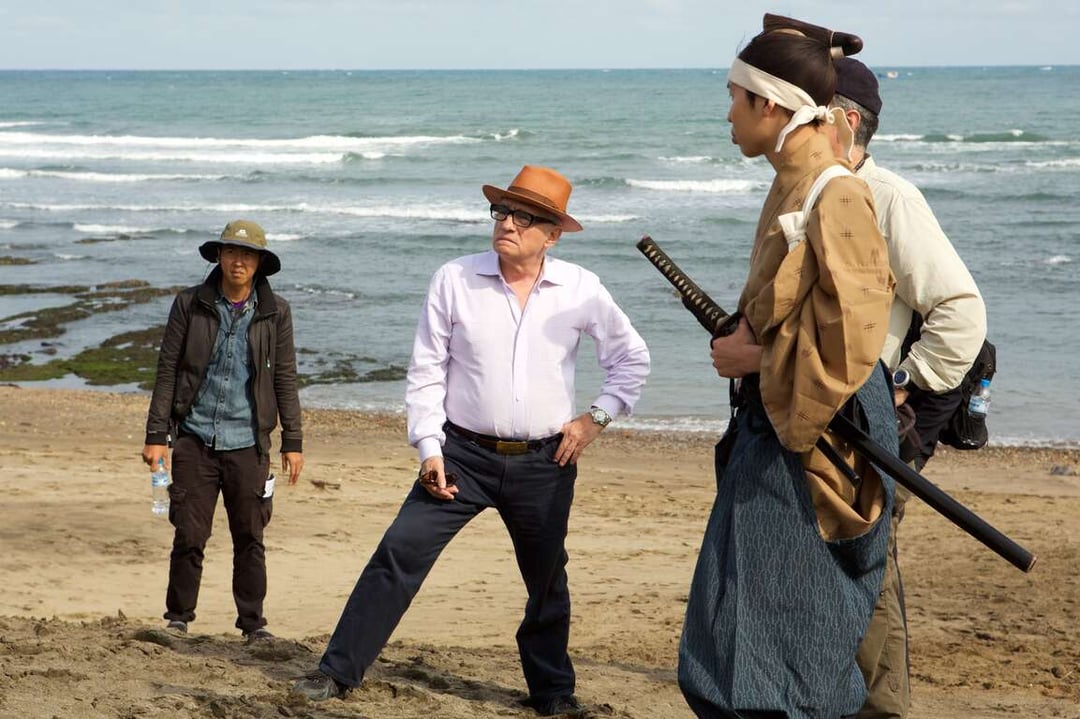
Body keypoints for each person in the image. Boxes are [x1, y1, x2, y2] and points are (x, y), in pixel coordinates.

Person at [292, 165, 650, 715]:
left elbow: (631, 359)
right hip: (461, 456)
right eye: (502, 211)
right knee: (399, 553)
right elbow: (426, 371)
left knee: (547, 580)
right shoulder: (454, 278)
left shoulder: (582, 289)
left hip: (545, 462)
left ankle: (552, 692)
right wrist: (429, 449)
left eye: (524, 217)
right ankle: (336, 672)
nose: (507, 223)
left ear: (552, 235)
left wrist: (593, 420)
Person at [677, 14, 899, 719]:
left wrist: (759, 356)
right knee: (727, 634)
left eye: (734, 98)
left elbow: (853, 340)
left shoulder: (838, 193)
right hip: (778, 423)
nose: (728, 114)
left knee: (785, 645)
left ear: (770, 105)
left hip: (813, 434)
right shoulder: (792, 184)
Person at [830, 58, 988, 719]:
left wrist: (900, 382)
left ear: (846, 122)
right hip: (830, 422)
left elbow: (961, 312)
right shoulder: (822, 192)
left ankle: (881, 707)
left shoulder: (888, 198)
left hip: (873, 422)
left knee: (866, 560)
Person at [141, 220, 304, 642]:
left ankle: (253, 625)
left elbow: (285, 376)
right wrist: (156, 435)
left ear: (259, 263)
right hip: (195, 437)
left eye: (247, 254)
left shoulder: (276, 312)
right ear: (219, 255)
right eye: (232, 251)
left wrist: (293, 440)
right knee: (189, 534)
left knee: (250, 537)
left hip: (249, 442)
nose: (238, 261)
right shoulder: (189, 304)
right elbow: (168, 370)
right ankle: (178, 618)